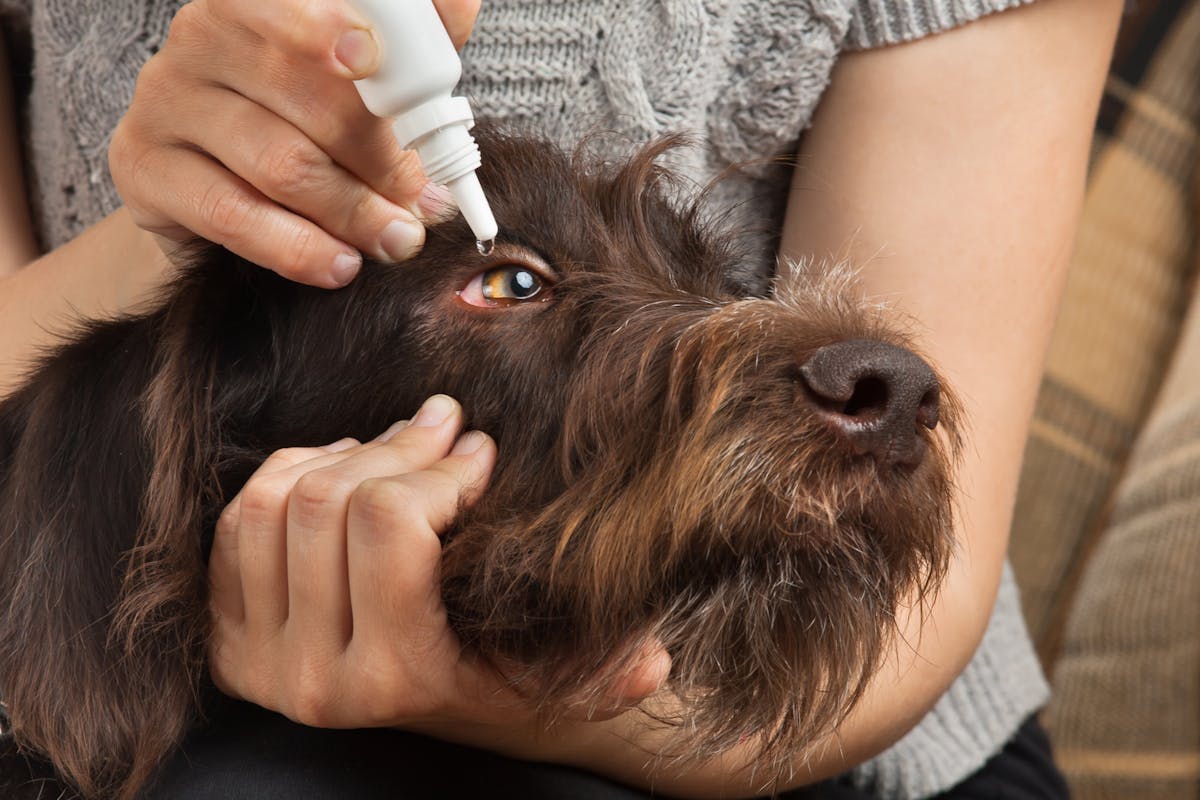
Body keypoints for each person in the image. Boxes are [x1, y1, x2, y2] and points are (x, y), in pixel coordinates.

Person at [0, 0, 1123, 796]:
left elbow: (907, 630)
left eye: (712, 284)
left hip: (830, 748)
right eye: (510, 281)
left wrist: (488, 689)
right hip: (125, 646)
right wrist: (178, 226)